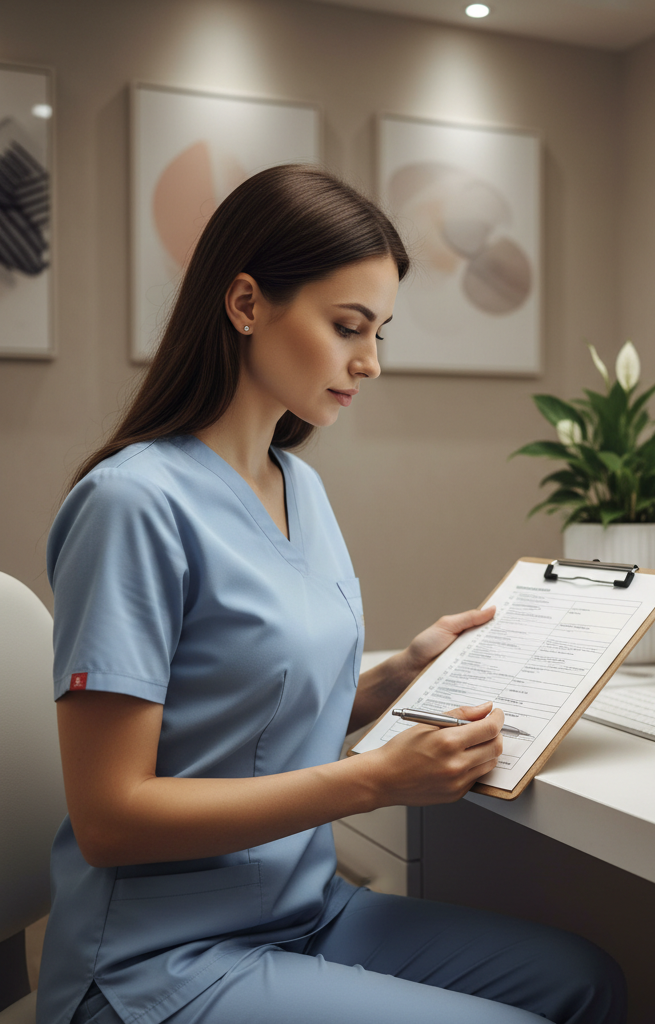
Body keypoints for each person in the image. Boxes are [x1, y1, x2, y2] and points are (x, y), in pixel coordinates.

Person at [39, 165, 625, 1024]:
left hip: (303, 911)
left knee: (586, 979)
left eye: (380, 331)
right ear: (245, 304)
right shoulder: (133, 504)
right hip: (158, 960)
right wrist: (373, 781)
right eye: (349, 326)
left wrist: (390, 685)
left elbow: (237, 724)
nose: (371, 362)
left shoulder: (298, 489)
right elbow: (112, 818)